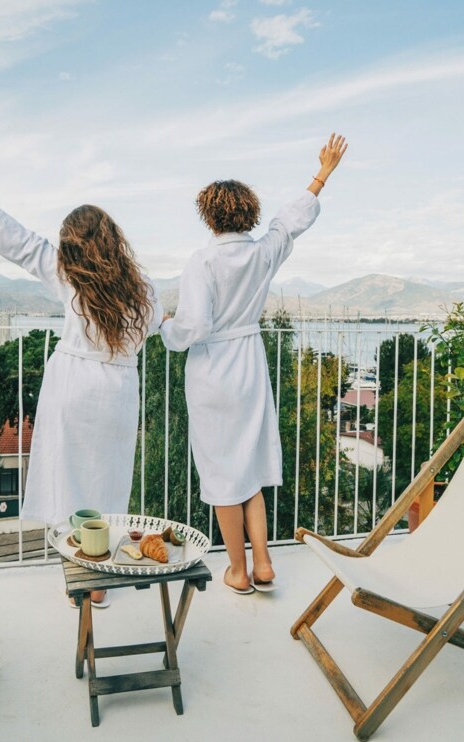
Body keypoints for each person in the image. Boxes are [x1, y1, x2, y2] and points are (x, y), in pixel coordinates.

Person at [0, 185, 162, 606]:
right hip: (118, 394)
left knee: (69, 481)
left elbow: (23, 245)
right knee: (109, 483)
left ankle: (79, 575)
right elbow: (155, 325)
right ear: (113, 236)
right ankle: (99, 585)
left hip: (73, 386)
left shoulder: (69, 276)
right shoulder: (144, 288)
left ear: (73, 243)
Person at [159, 134, 347, 594]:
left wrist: (166, 327)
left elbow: (193, 326)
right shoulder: (263, 253)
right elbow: (290, 221)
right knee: (248, 468)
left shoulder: (201, 261)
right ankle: (264, 564)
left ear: (209, 215)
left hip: (213, 373)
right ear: (249, 213)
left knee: (223, 473)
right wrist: (322, 173)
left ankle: (239, 571)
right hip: (250, 367)